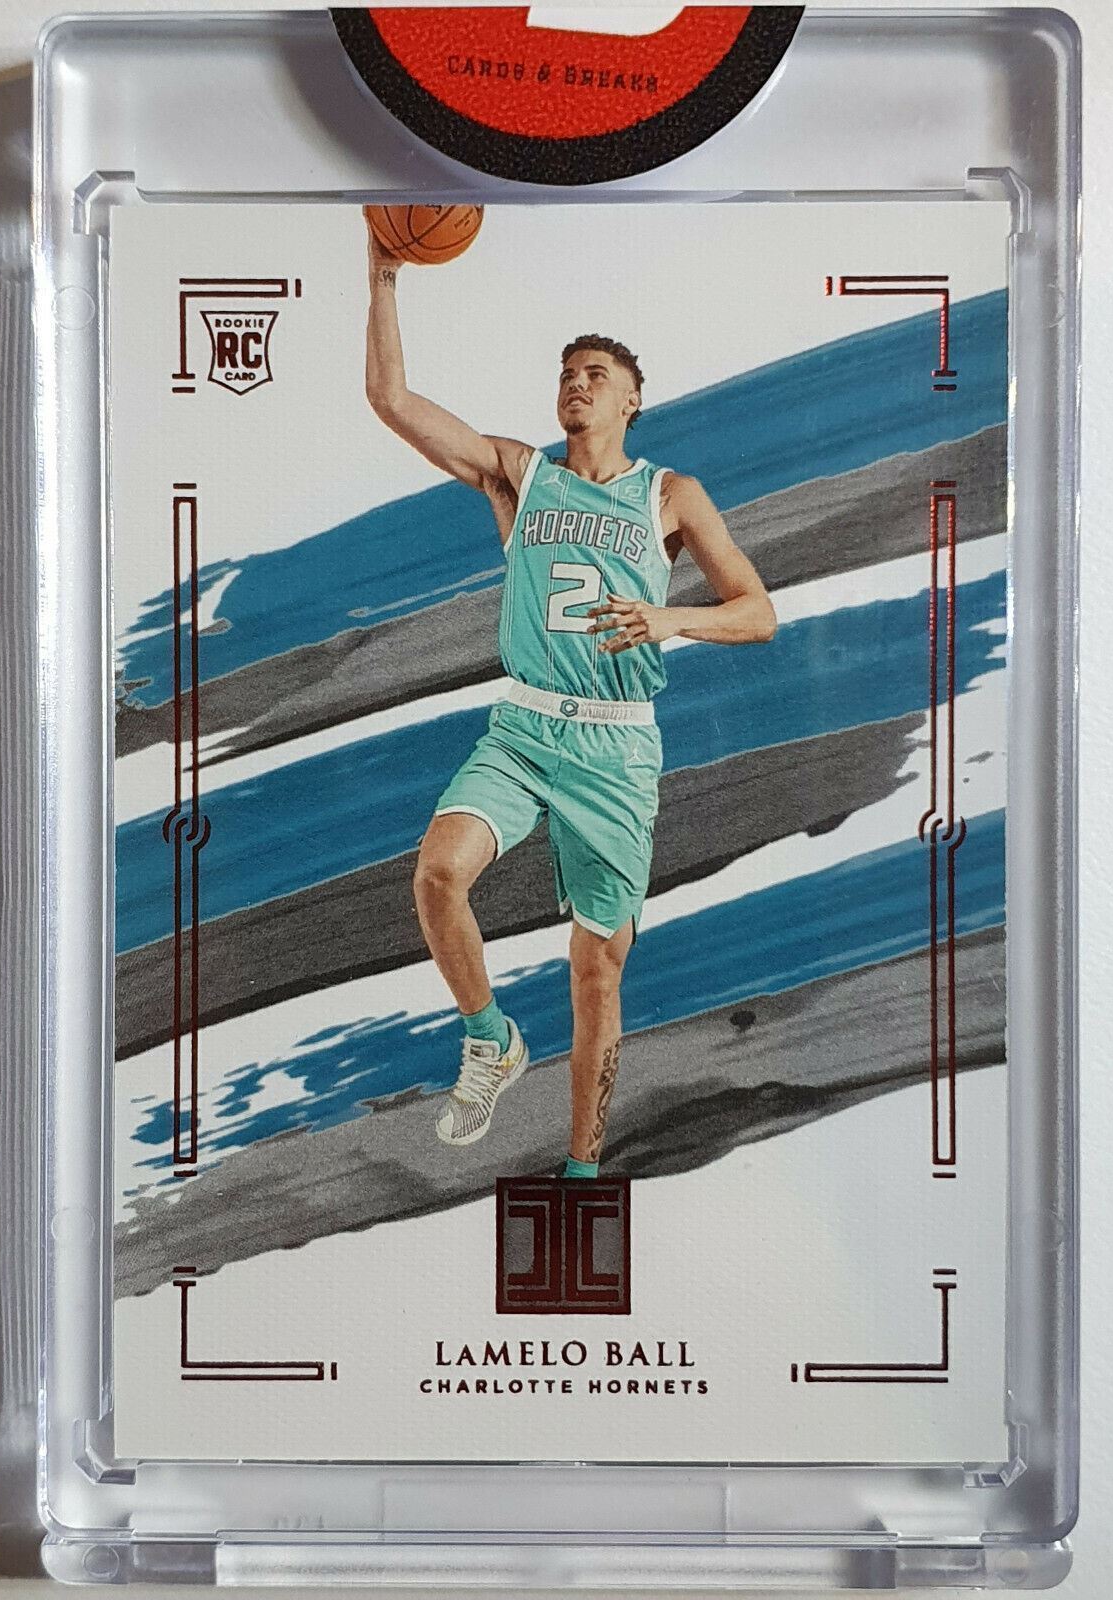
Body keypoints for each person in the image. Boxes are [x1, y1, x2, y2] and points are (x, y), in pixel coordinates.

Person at [364, 215, 776, 1178]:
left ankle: (584, 1169)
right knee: (436, 874)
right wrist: (383, 277)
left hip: (617, 748)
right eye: (566, 373)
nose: (575, 383)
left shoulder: (670, 493)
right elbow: (390, 398)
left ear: (633, 398)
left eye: (595, 372)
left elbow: (757, 612)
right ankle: (489, 1038)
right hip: (524, 727)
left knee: (597, 970)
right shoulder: (522, 475)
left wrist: (670, 618)